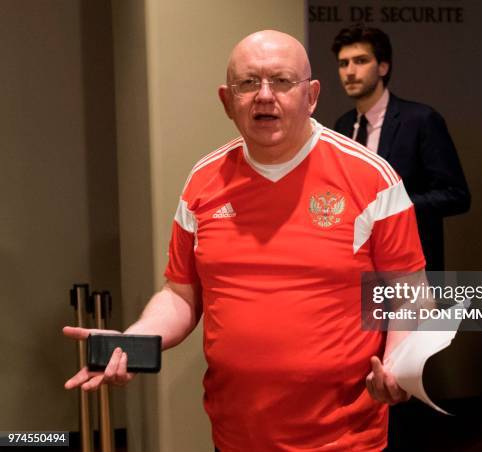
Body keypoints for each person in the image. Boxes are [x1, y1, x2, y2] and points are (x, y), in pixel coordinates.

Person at [63, 30, 428, 450]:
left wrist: (401, 365)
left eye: (282, 81)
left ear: (311, 96)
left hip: (344, 438)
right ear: (226, 100)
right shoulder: (203, 182)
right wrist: (137, 338)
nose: (264, 96)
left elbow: (408, 294)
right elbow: (181, 294)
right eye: (248, 83)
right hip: (236, 435)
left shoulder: (371, 178)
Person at [331, 25, 470, 272]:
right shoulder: (341, 125)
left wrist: (390, 209)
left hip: (411, 264)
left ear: (383, 67)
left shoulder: (420, 120)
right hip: (356, 265)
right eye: (343, 64)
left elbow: (456, 196)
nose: (350, 72)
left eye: (360, 61)